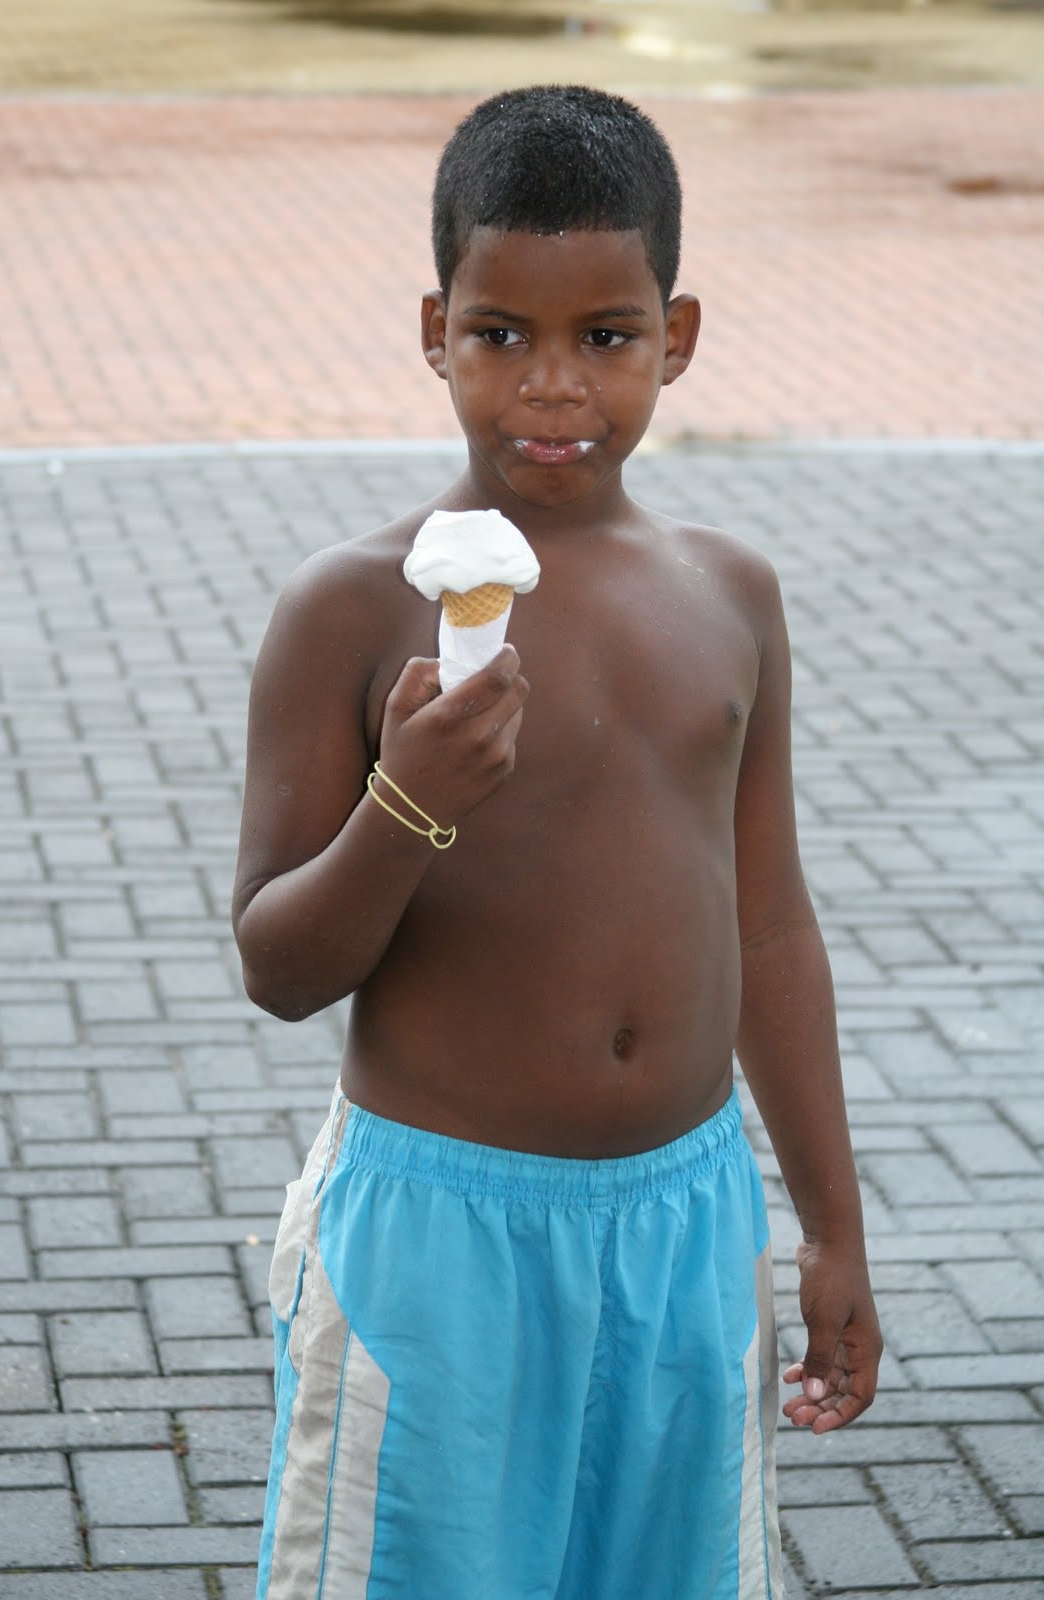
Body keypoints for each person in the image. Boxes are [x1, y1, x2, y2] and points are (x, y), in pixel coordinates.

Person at [234, 84, 881, 1600]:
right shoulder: (354, 605)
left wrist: (830, 1226)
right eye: (498, 335)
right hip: (438, 1243)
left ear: (681, 332)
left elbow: (770, 923)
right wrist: (407, 806)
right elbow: (277, 964)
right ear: (432, 328)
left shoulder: (731, 593)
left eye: (606, 336)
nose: (551, 387)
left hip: (686, 1227)